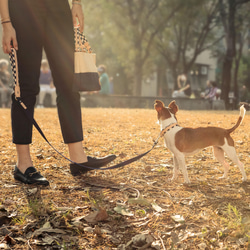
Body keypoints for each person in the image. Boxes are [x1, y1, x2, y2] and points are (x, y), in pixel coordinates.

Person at [0, 0, 116, 186]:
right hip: (23, 9)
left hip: (58, 7)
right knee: (26, 86)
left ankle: (78, 158)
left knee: (68, 82)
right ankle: (23, 164)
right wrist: (6, 22)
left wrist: (76, 3)